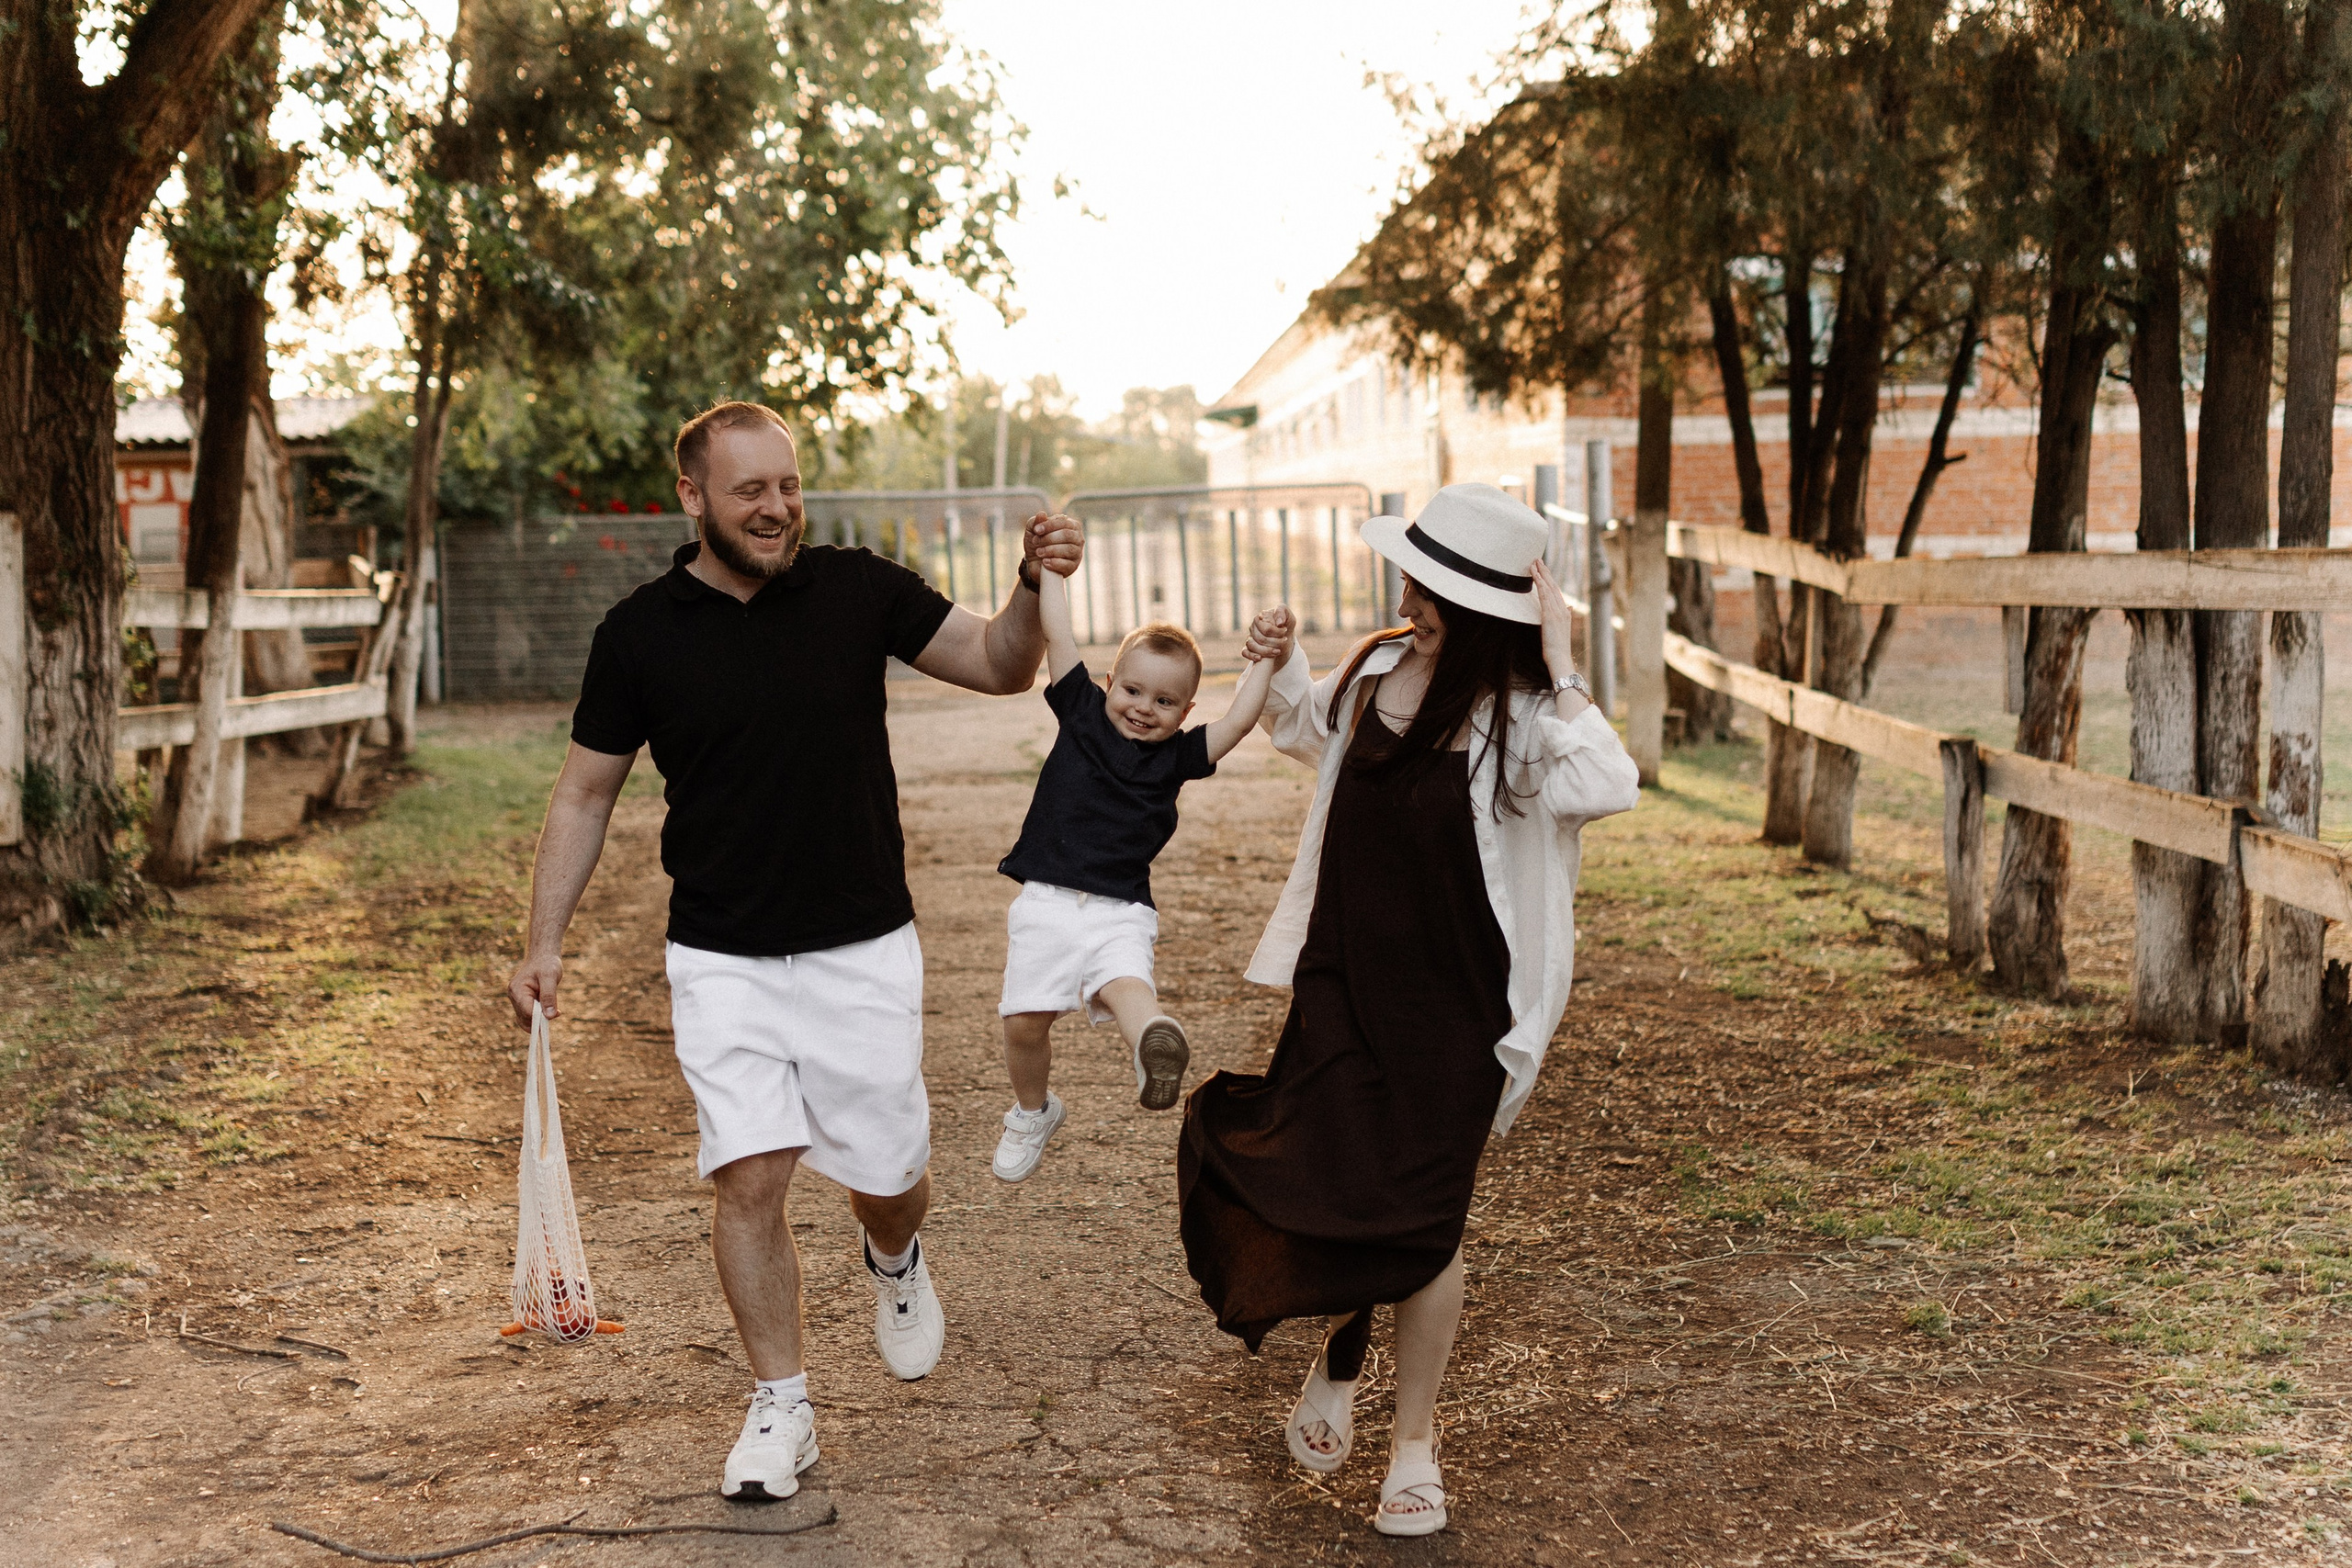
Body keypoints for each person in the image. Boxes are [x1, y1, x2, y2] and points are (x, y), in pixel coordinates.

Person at [504, 400, 1083, 1503]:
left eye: (787, 485)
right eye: (749, 491)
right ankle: (783, 1405)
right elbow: (584, 792)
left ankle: (896, 1257)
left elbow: (1004, 664)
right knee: (750, 1172)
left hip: (861, 946)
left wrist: (1027, 582)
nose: (776, 509)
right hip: (718, 954)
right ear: (693, 499)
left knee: (889, 1175)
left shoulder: (858, 589)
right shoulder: (638, 635)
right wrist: (544, 942)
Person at [1177, 482, 1641, 1537]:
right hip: (1341, 983)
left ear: (1483, 612)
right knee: (1333, 1178)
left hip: (1458, 1013)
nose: (1408, 596)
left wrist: (1565, 664)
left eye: (1431, 588)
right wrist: (1278, 655)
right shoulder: (1377, 670)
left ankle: (1414, 1446)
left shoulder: (1521, 724)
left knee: (1425, 1224)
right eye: (1412, 576)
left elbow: (1612, 783)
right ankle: (1342, 1350)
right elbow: (1306, 732)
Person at [988, 558, 1292, 1182]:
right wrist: (1052, 573)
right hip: (1047, 902)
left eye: (1165, 700)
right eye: (1132, 690)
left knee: (1129, 988)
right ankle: (1031, 1110)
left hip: (1121, 909)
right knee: (1024, 1023)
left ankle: (1154, 1042)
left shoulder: (1178, 756)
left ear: (1185, 710)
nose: (1144, 708)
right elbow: (1060, 634)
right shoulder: (1080, 712)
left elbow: (1237, 721)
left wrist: (1267, 658)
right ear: (1108, 682)